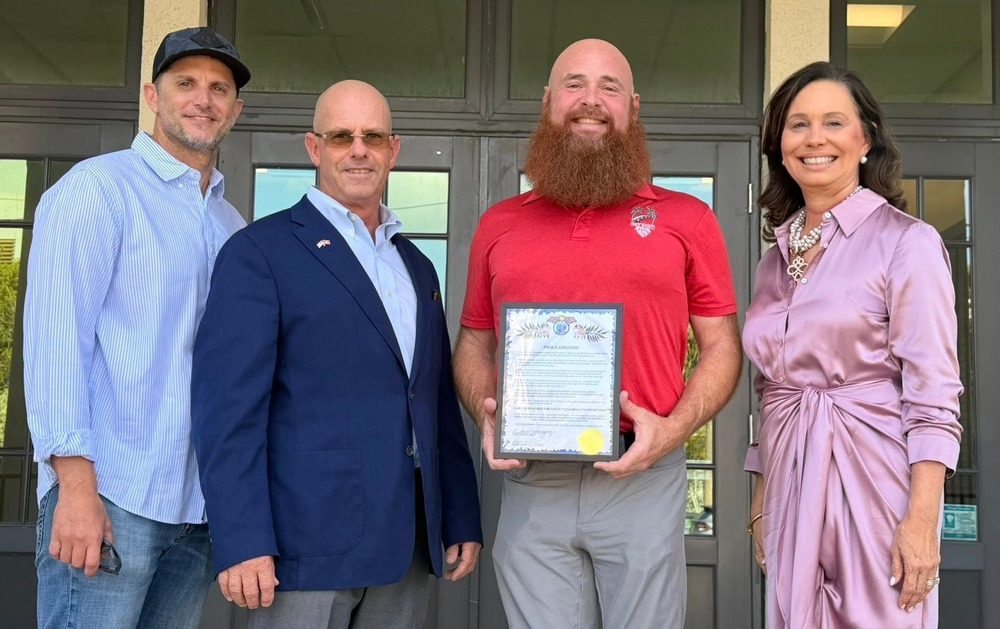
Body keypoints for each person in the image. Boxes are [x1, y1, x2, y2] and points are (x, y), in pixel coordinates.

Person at [453, 39, 742, 628]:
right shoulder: (499, 223)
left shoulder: (687, 218)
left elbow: (722, 346)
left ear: (633, 106)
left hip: (641, 472)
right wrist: (487, 411)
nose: (591, 100)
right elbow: (474, 342)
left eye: (609, 87)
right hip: (534, 479)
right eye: (574, 85)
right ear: (547, 103)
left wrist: (673, 432)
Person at [191, 79, 483, 629]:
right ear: (313, 147)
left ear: (393, 150)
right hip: (303, 549)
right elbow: (227, 413)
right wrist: (242, 537)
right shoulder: (260, 253)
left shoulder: (416, 266)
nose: (358, 150)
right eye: (341, 136)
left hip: (408, 545)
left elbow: (435, 399)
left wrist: (459, 513)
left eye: (373, 137)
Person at [24, 26, 250, 629]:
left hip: (196, 508)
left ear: (236, 108)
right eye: (186, 83)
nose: (203, 99)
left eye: (218, 88)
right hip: (109, 498)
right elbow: (56, 344)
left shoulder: (229, 223)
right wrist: (74, 488)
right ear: (153, 95)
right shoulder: (97, 191)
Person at [743, 61, 963, 628]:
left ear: (865, 140)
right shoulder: (776, 260)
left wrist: (922, 520)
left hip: (873, 481)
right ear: (780, 147)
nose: (815, 138)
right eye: (797, 125)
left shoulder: (907, 243)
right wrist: (762, 494)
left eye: (834, 122)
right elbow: (770, 389)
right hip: (791, 482)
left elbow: (933, 391)